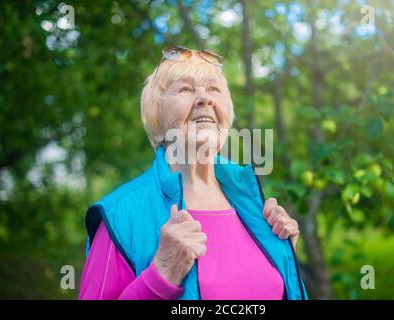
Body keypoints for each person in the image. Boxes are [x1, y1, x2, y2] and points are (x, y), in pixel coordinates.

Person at [78, 46, 307, 300]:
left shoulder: (256, 209)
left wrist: (282, 253)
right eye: (185, 89)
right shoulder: (120, 215)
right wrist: (160, 277)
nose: (204, 99)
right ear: (156, 114)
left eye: (213, 89)